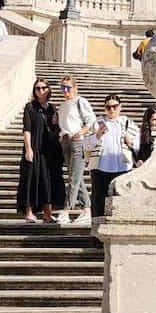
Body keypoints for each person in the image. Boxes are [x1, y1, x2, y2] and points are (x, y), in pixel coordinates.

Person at [16, 79, 66, 225]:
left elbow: (57, 128)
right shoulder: (30, 107)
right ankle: (29, 213)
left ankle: (47, 214)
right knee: (31, 179)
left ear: (48, 90)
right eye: (37, 88)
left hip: (50, 150)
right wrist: (28, 149)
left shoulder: (52, 108)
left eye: (44, 88)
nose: (41, 90)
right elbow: (27, 129)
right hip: (34, 147)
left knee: (47, 180)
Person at [56, 76, 96, 226]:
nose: (66, 91)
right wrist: (62, 135)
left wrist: (81, 132)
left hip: (78, 142)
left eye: (68, 88)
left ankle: (67, 210)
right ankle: (87, 210)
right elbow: (63, 124)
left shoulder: (81, 101)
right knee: (76, 179)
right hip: (66, 143)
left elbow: (91, 120)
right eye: (63, 88)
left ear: (75, 88)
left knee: (73, 179)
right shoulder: (63, 105)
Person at [91, 94, 139, 216]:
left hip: (123, 168)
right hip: (101, 168)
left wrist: (131, 142)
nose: (111, 109)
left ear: (120, 107)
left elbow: (139, 144)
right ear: (105, 108)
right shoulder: (97, 124)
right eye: (108, 107)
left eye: (114, 106)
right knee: (99, 202)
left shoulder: (128, 123)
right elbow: (86, 145)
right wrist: (97, 136)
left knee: (123, 201)